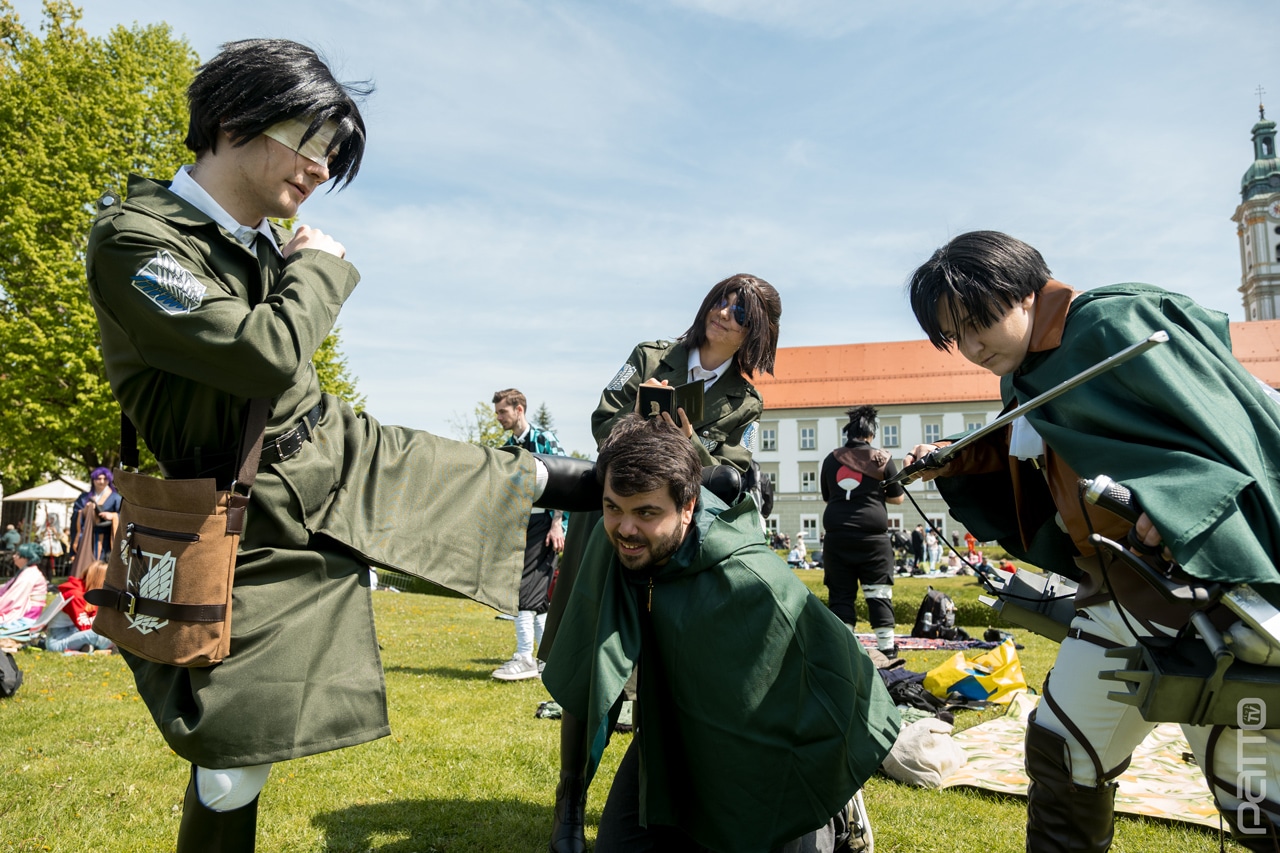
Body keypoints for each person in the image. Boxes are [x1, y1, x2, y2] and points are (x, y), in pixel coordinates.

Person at [84, 39, 579, 852]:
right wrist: (320, 267)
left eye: (331, 157)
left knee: (518, 477)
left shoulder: (254, 244)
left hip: (341, 453)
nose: (319, 171)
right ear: (238, 119)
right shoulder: (137, 239)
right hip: (249, 518)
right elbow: (259, 352)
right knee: (233, 756)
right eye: (313, 144)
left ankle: (684, 491)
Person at [903, 230, 1280, 851]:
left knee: (1252, 791)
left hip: (1203, 597)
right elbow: (1054, 452)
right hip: (1115, 598)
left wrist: (1177, 503)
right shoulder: (1024, 372)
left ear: (1023, 292)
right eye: (955, 335)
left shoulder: (1112, 322)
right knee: (1063, 752)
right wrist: (958, 461)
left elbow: (1221, 426)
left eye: (980, 322)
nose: (972, 346)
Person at [543, 414, 899, 852]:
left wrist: (829, 775)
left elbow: (841, 681)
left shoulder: (750, 579)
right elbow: (591, 664)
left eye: (646, 513)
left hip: (761, 746)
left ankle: (835, 815)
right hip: (670, 735)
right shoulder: (617, 541)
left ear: (688, 506)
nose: (626, 528)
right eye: (613, 507)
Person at [541, 272, 782, 853]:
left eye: (742, 311)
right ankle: (570, 801)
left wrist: (687, 442)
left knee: (667, 666)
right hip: (612, 519)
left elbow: (724, 475)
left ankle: (655, 798)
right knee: (589, 655)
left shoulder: (745, 399)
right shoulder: (652, 355)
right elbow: (604, 420)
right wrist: (645, 430)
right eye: (722, 300)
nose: (725, 313)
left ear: (758, 331)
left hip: (675, 540)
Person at [491, 388, 567, 681]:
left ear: (519, 409)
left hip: (546, 524)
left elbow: (563, 481)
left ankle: (524, 658)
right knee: (537, 598)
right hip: (522, 525)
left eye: (502, 412)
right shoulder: (510, 446)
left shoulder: (544, 440)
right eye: (498, 412)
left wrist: (557, 523)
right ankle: (548, 660)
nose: (499, 417)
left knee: (524, 591)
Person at [819, 405, 906, 657]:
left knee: (841, 593)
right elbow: (898, 498)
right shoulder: (882, 459)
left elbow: (829, 497)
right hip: (873, 539)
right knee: (878, 593)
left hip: (837, 537)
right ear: (871, 433)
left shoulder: (831, 459)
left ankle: (843, 651)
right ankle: (887, 649)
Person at [43, 561, 115, 654]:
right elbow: (85, 627)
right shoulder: (75, 594)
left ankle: (87, 648)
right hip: (58, 640)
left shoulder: (88, 592)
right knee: (99, 635)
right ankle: (114, 648)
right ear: (100, 579)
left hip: (72, 633)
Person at [70, 467, 122, 577]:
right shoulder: (84, 498)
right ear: (93, 480)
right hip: (86, 537)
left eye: (105, 479)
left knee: (102, 566)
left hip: (107, 539)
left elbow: (125, 515)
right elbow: (75, 516)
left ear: (109, 480)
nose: (102, 481)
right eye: (98, 478)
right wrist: (85, 511)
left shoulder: (116, 498)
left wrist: (112, 516)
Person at [0, 543, 47, 626]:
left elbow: (12, 598)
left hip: (26, 615)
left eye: (18, 554)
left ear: (26, 558)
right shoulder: (28, 571)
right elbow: (6, 588)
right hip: (27, 611)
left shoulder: (29, 575)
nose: (14, 556)